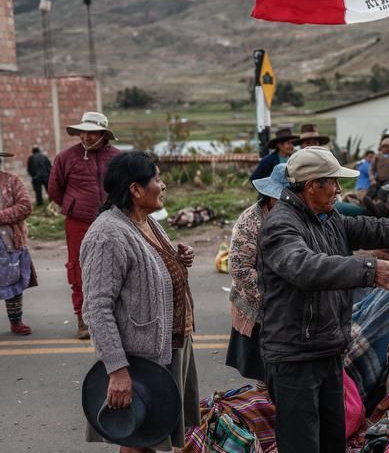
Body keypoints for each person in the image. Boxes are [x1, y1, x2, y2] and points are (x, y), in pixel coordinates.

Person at [258, 147, 389, 453]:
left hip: (327, 348)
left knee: (333, 439)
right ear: (311, 185)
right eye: (332, 183)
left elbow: (375, 229)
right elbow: (304, 266)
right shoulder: (281, 225)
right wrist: (370, 269)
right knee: (302, 444)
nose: (339, 190)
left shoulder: (327, 218)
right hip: (295, 356)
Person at [81, 151, 199, 452]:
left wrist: (176, 257)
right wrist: (117, 369)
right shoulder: (107, 236)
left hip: (168, 348)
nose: (163, 185)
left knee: (149, 434)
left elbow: (149, 272)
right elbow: (96, 308)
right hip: (140, 359)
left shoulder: (145, 221)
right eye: (157, 179)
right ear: (135, 189)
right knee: (137, 437)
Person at [48, 111, 121, 340]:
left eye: (92, 133)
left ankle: (114, 318)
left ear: (103, 134)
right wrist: (74, 207)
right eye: (83, 132)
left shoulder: (117, 158)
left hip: (114, 221)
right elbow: (55, 190)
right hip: (78, 222)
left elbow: (127, 186)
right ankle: (83, 319)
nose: (86, 137)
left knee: (116, 267)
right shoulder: (66, 157)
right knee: (79, 268)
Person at [226, 163, 288, 384]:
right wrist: (275, 302)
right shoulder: (250, 222)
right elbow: (240, 269)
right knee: (266, 376)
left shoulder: (296, 218)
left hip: (286, 306)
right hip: (259, 307)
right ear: (272, 198)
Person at [0, 152, 36, 335]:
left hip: (10, 242)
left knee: (13, 281)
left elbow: (25, 206)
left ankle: (16, 322)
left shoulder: (12, 181)